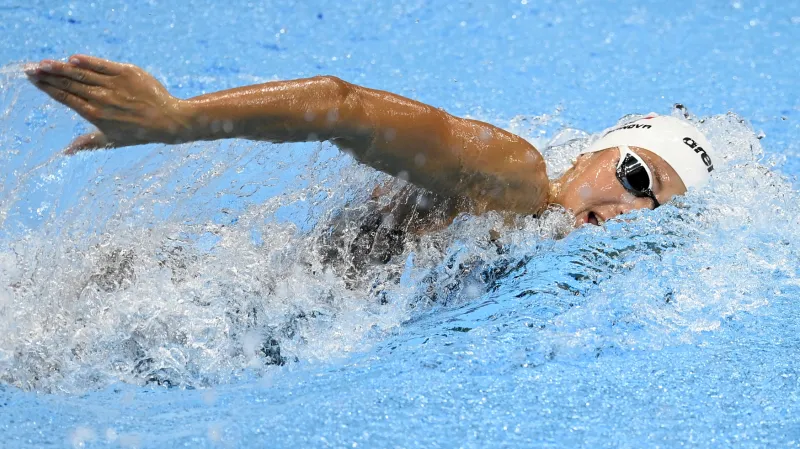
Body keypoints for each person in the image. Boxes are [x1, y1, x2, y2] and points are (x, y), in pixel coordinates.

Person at [24, 55, 715, 233]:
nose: (629, 210)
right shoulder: (515, 175)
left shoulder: (537, 231)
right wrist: (174, 119)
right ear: (597, 151)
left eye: (653, 209)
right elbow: (337, 103)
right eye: (633, 176)